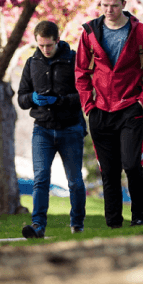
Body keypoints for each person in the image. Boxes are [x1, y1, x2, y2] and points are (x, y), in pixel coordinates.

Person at [75, 0, 143, 228]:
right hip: (100, 110)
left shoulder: (142, 32)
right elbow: (81, 72)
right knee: (109, 170)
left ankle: (137, 215)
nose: (109, 10)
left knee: (132, 165)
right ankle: (113, 222)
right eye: (105, 5)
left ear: (124, 4)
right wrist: (88, 106)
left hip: (130, 109)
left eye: (114, 5)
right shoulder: (89, 33)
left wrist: (142, 102)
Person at [18, 21, 87, 238]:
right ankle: (38, 225)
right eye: (41, 46)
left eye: (48, 45)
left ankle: (77, 224)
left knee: (74, 181)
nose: (45, 50)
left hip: (71, 129)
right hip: (42, 131)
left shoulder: (73, 60)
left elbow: (85, 95)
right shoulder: (32, 63)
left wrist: (59, 100)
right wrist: (33, 98)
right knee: (40, 179)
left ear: (57, 40)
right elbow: (21, 98)